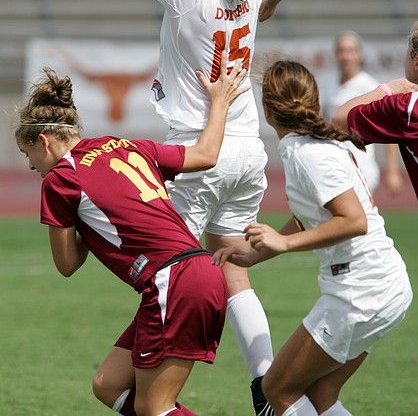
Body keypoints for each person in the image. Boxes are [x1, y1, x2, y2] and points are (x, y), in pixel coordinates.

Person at [68, 0, 307, 415]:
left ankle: (147, 390)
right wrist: (266, 7)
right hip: (247, 148)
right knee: (231, 263)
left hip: (199, 152)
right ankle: (265, 383)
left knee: (169, 271)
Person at [15, 53, 247, 416]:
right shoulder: (127, 146)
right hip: (194, 272)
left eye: (28, 155)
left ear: (43, 141)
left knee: (156, 408)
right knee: (108, 383)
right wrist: (219, 101)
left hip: (173, 280)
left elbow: (67, 264)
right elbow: (205, 154)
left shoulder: (61, 179)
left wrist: (79, 215)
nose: (32, 167)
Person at [214, 60, 413, 416]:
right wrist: (255, 255)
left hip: (360, 290)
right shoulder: (311, 145)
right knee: (321, 395)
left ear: (268, 110)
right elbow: (313, 216)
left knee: (277, 388)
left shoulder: (308, 154)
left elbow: (352, 220)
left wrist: (284, 242)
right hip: (383, 285)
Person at [333, 22, 418, 201]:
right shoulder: (328, 84)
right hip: (338, 159)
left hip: (359, 165)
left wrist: (387, 89)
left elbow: (339, 119)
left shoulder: (406, 106)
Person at [326, 30, 402, 196]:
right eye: (341, 50)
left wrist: (393, 171)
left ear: (360, 55)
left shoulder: (369, 87)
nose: (345, 56)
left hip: (361, 166)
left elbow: (389, 130)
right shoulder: (329, 85)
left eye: (351, 51)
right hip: (335, 165)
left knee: (357, 219)